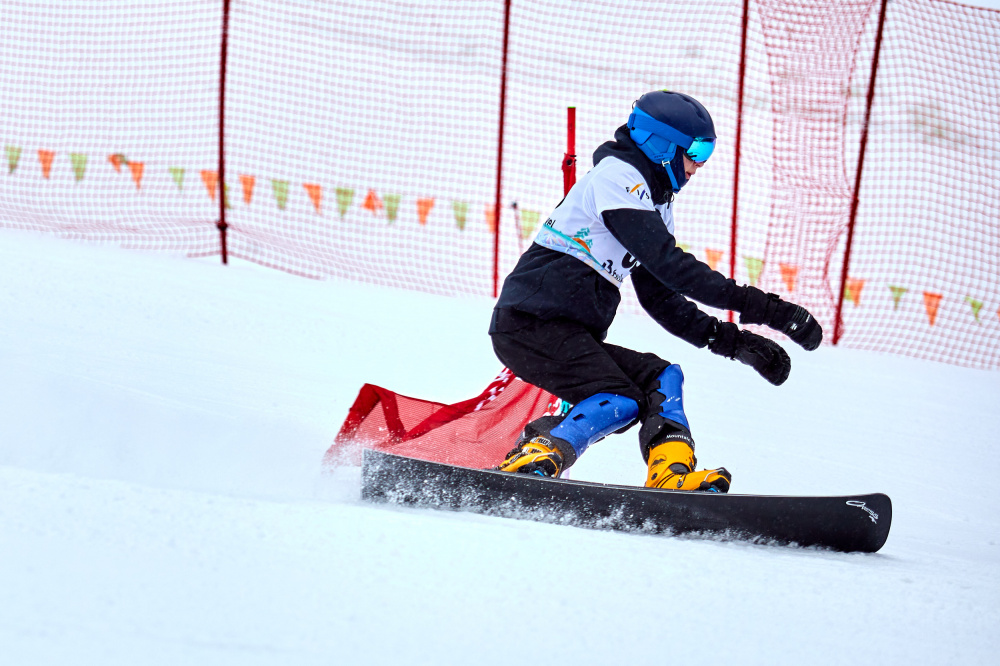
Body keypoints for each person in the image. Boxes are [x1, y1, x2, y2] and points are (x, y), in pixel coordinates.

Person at [488, 90, 822, 492]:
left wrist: (731, 341)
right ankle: (540, 452)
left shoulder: (654, 201)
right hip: (530, 323)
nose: (699, 165)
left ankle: (670, 473)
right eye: (696, 150)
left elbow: (661, 296)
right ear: (660, 143)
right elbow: (670, 266)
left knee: (662, 378)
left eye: (708, 152)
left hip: (567, 331)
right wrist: (770, 310)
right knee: (618, 397)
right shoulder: (617, 178)